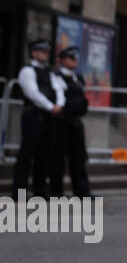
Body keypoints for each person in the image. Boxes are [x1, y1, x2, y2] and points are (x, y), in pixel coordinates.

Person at [12, 40, 64, 199]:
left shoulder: (49, 72)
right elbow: (33, 93)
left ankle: (40, 191)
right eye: (41, 51)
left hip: (48, 118)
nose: (45, 54)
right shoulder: (27, 71)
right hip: (33, 117)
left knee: (44, 155)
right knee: (26, 155)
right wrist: (50, 106)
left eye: (46, 52)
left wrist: (59, 105)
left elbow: (59, 89)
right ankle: (19, 192)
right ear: (33, 53)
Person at [52, 45, 92, 198]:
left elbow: (81, 100)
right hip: (62, 123)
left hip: (76, 123)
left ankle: (82, 192)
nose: (74, 61)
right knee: (58, 159)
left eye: (75, 58)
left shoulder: (78, 78)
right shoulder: (56, 77)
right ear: (62, 60)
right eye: (70, 58)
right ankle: (57, 192)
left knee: (79, 159)